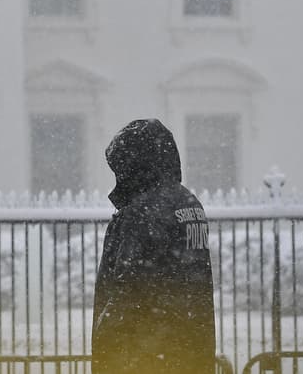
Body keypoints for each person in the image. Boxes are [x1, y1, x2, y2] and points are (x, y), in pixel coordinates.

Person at [92, 118, 217, 373]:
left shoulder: (141, 213)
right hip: (191, 351)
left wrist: (107, 354)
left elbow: (127, 293)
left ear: (135, 164)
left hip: (144, 358)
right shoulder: (189, 203)